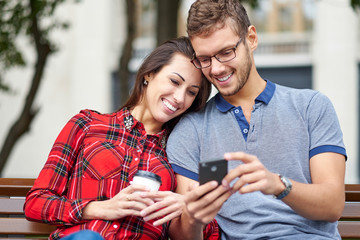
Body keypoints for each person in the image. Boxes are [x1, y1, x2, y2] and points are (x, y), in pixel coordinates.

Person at [167, 0, 347, 239]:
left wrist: (277, 184)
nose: (217, 69)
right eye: (205, 59)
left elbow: (333, 205)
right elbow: (185, 233)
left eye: (226, 52)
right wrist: (193, 216)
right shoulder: (191, 129)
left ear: (251, 39)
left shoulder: (311, 106)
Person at [24, 36, 215, 240]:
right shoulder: (87, 124)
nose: (179, 97)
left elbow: (208, 231)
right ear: (149, 74)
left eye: (191, 92)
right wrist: (101, 208)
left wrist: (190, 208)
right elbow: (36, 202)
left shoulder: (178, 154)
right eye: (174, 81)